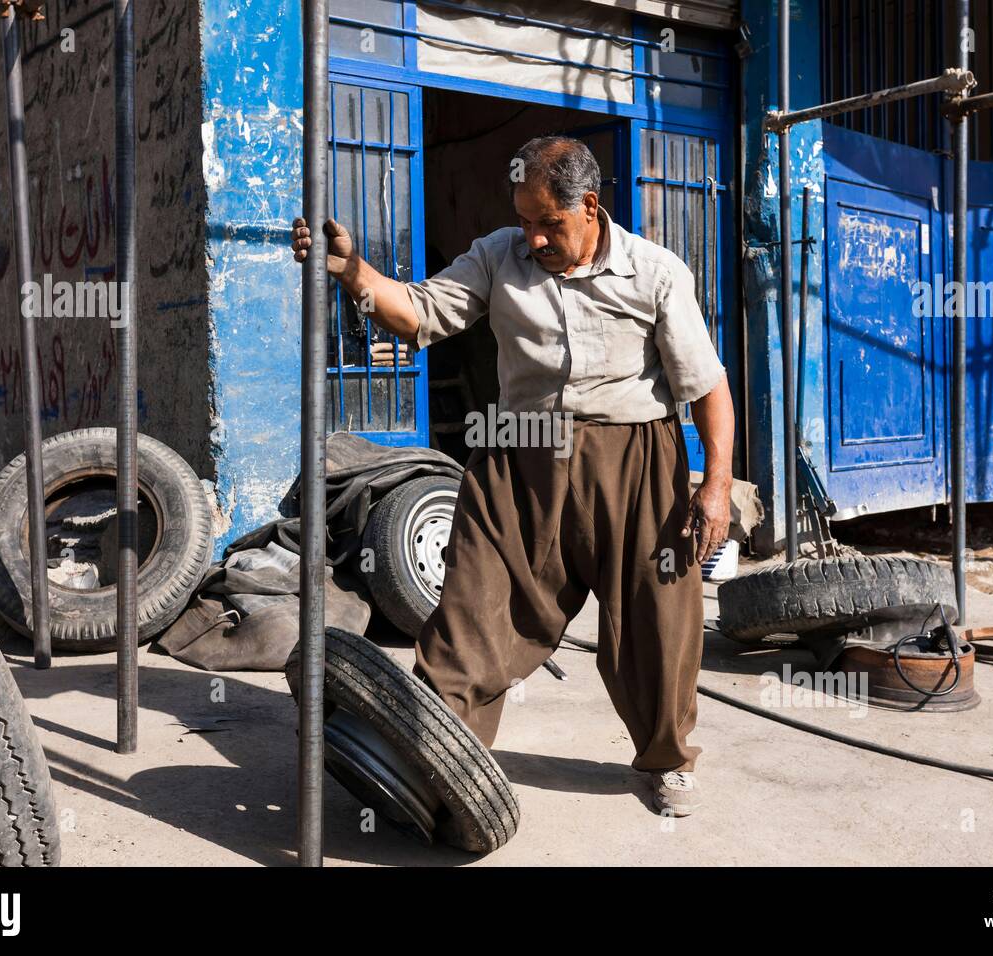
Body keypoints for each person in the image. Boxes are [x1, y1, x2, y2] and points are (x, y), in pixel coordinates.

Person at [292, 135, 735, 816]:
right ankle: (437, 757)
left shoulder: (655, 272)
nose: (532, 237)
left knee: (658, 619)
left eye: (548, 223)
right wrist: (356, 275)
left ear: (589, 207)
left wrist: (715, 488)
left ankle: (665, 760)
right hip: (516, 453)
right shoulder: (499, 255)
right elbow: (422, 312)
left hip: (635, 461)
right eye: (524, 220)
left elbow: (706, 388)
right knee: (472, 606)